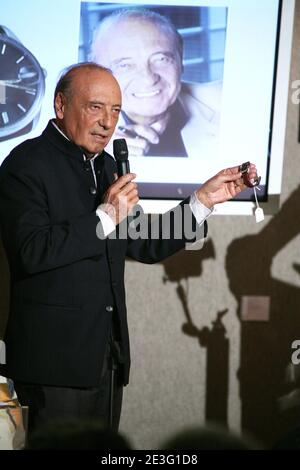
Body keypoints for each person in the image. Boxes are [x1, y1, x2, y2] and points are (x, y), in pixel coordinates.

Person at [0, 62, 257, 436]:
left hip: (106, 361)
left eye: (116, 111)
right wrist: (104, 217)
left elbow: (146, 244)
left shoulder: (107, 167)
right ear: (60, 105)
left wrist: (202, 201)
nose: (108, 122)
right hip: (52, 367)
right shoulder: (25, 164)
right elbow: (31, 251)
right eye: (95, 107)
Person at [89, 8, 222, 159]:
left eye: (161, 59)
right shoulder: (74, 136)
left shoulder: (227, 104)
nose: (148, 79)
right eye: (125, 65)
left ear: (181, 61)